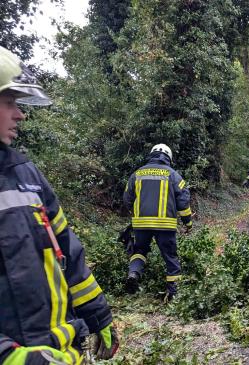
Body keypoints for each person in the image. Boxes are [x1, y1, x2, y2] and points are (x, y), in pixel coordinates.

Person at [0, 46, 118, 364]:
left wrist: (99, 315)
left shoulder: (26, 174)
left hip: (65, 351)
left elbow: (67, 252)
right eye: (9, 102)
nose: (20, 114)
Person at [123, 143, 192, 301]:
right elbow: (183, 201)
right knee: (170, 257)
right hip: (165, 225)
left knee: (139, 250)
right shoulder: (173, 175)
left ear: (151, 154)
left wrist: (135, 213)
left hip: (141, 224)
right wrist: (188, 223)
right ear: (168, 157)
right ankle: (173, 293)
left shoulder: (137, 174)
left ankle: (133, 273)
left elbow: (127, 198)